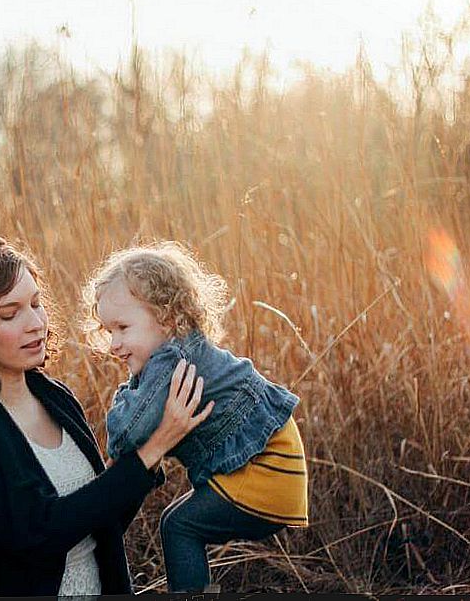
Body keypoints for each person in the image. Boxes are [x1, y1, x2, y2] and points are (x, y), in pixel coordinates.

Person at [0, 234, 214, 597]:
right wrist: (152, 449)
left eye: (36, 303)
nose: (35, 322)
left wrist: (151, 443)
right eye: (10, 313)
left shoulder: (55, 397)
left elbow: (101, 521)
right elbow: (36, 534)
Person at [83, 241, 309, 593]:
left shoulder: (169, 361)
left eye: (123, 328)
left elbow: (123, 435)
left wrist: (127, 392)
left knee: (180, 528)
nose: (113, 343)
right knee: (175, 521)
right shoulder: (182, 351)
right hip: (278, 469)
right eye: (107, 330)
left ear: (168, 318)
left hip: (266, 471)